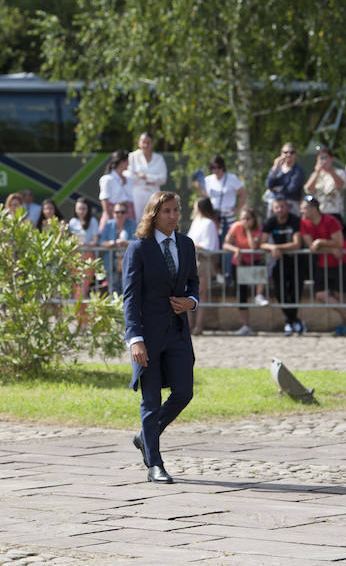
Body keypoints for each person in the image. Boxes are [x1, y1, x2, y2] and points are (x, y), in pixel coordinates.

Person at [123, 191, 198, 484]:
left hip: (178, 332)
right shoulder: (139, 248)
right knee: (150, 400)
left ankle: (145, 436)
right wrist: (135, 339)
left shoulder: (186, 244)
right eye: (167, 211)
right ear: (154, 215)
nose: (173, 216)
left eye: (176, 210)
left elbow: (193, 282)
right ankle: (155, 463)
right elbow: (130, 298)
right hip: (149, 336)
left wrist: (191, 301)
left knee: (184, 392)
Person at [300, 195, 346, 336]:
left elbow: (339, 242)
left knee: (340, 294)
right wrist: (328, 247)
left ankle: (345, 325)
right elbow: (312, 246)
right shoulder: (304, 223)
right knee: (321, 294)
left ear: (314, 209)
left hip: (341, 260)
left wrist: (321, 242)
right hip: (323, 262)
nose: (302, 211)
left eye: (305, 208)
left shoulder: (331, 221)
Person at [196, 155, 247, 284]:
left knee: (228, 244)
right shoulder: (208, 180)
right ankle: (215, 273)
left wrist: (238, 208)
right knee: (214, 244)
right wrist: (199, 187)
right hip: (213, 216)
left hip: (227, 215)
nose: (216, 170)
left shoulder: (232, 178)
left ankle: (228, 273)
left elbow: (242, 193)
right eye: (213, 167)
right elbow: (205, 197)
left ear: (223, 167)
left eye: (218, 167)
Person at [260, 196, 306, 335]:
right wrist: (272, 248)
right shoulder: (270, 221)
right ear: (273, 209)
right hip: (279, 261)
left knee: (295, 293)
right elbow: (262, 243)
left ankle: (290, 322)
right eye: (276, 207)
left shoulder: (295, 220)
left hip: (297, 261)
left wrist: (275, 247)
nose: (279, 210)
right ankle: (293, 321)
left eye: (282, 207)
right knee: (280, 292)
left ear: (288, 207)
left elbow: (296, 244)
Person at [222, 206, 267, 335]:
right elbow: (225, 244)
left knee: (259, 277)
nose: (244, 221)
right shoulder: (235, 227)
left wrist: (247, 231)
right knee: (241, 295)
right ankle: (245, 325)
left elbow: (254, 246)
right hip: (239, 263)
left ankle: (259, 294)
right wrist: (236, 250)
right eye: (242, 219)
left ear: (254, 219)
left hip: (255, 262)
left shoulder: (258, 229)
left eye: (248, 219)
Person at [186, 197, 220, 335]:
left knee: (201, 293)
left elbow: (209, 246)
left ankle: (199, 325)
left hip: (203, 260)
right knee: (188, 293)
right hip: (191, 259)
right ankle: (188, 325)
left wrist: (191, 245)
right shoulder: (196, 221)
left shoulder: (209, 223)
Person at [126, 132, 167, 220]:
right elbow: (130, 176)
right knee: (137, 221)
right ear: (139, 143)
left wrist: (145, 177)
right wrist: (153, 179)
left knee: (154, 220)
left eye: (148, 142)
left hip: (154, 194)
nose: (146, 145)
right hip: (137, 195)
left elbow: (163, 179)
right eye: (143, 142)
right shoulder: (132, 156)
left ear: (152, 144)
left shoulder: (159, 158)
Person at [100, 201, 136, 292]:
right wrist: (113, 243)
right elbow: (101, 242)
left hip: (128, 263)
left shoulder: (132, 224)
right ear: (113, 213)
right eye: (117, 212)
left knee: (127, 290)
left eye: (122, 212)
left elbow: (138, 242)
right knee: (113, 290)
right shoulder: (109, 224)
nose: (119, 214)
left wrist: (126, 242)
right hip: (112, 262)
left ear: (127, 213)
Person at [264, 142, 305, 215]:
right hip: (275, 203)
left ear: (295, 155)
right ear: (281, 154)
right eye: (285, 152)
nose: (288, 155)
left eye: (292, 152)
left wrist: (277, 189)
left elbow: (291, 188)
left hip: (291, 204)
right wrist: (275, 168)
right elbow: (268, 185)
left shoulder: (298, 170)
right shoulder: (276, 169)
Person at [98, 149, 135, 230]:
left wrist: (134, 218)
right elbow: (104, 200)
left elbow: (131, 202)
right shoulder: (107, 179)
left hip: (129, 215)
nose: (129, 163)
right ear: (122, 162)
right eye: (127, 161)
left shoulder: (129, 179)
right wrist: (110, 218)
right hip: (113, 214)